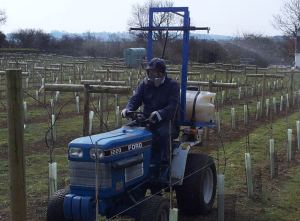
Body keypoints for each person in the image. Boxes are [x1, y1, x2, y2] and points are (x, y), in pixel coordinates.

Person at [121, 57, 180, 162]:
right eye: (149, 72)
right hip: (146, 119)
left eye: (154, 72)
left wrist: (160, 113)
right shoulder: (144, 84)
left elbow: (173, 105)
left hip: (166, 121)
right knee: (125, 131)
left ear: (161, 73)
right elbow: (135, 99)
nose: (150, 75)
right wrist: (128, 109)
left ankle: (164, 163)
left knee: (163, 134)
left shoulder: (172, 85)